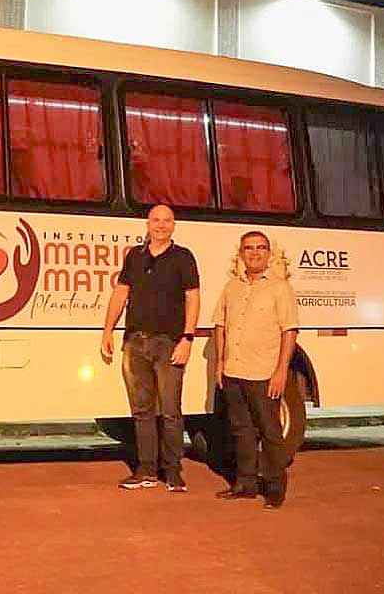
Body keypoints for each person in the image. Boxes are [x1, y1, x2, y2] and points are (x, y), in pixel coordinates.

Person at [100, 204, 199, 493]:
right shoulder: (135, 256)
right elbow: (121, 294)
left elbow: (193, 299)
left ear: (174, 225)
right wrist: (108, 330)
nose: (161, 225)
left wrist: (188, 338)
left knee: (170, 411)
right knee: (142, 411)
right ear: (148, 223)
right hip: (135, 342)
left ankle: (173, 471)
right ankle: (146, 471)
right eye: (156, 220)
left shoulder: (183, 257)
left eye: (167, 221)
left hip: (169, 343)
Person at [212, 231, 298, 510]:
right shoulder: (231, 287)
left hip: (263, 372)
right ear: (241, 253)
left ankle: (274, 487)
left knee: (270, 431)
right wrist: (220, 364)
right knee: (241, 430)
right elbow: (220, 325)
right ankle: (246, 483)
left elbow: (289, 331)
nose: (255, 252)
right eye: (249, 248)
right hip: (234, 370)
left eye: (261, 248)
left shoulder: (279, 288)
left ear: (269, 253)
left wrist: (281, 371)